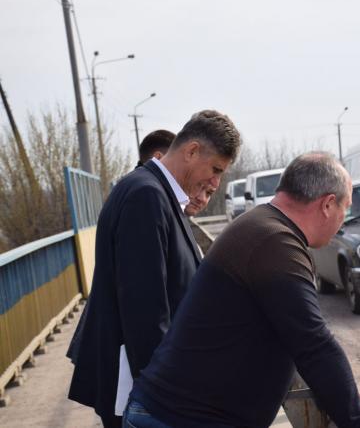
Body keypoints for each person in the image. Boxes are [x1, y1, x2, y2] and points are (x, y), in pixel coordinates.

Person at [124, 152, 360, 428]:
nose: (343, 218)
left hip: (178, 415)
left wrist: (342, 398)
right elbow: (314, 344)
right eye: (345, 208)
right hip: (179, 419)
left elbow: (290, 335)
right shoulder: (275, 243)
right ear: (327, 204)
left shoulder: (263, 226)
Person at [67, 110, 241, 427]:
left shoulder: (152, 191)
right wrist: (168, 397)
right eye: (215, 169)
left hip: (146, 390)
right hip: (143, 395)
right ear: (191, 151)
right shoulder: (146, 196)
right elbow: (145, 312)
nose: (216, 182)